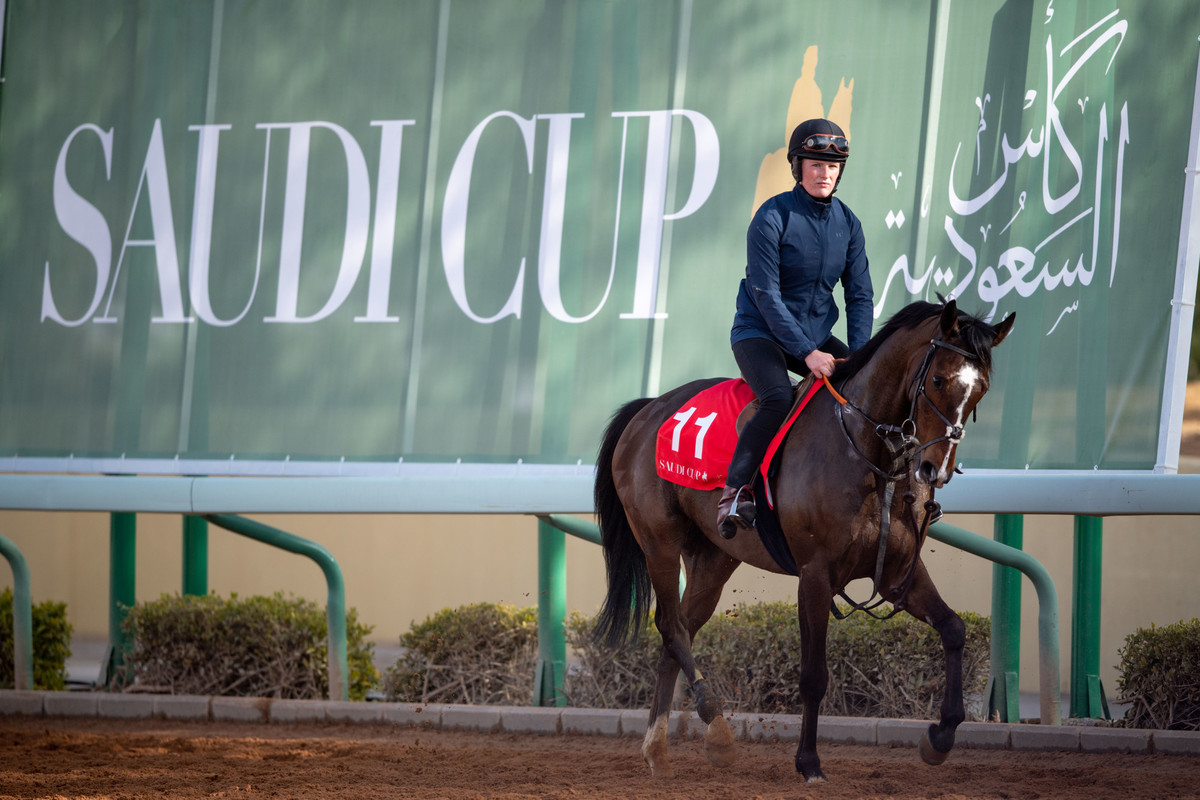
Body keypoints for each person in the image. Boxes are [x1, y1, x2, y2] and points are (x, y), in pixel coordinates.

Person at [716, 118, 874, 539]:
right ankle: (734, 491)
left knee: (872, 389)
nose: (825, 174)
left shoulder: (849, 224)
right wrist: (807, 352)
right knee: (778, 397)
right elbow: (765, 294)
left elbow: (859, 297)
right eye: (816, 165)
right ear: (797, 167)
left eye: (833, 167)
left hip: (816, 335)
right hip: (759, 332)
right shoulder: (771, 217)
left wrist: (860, 357)